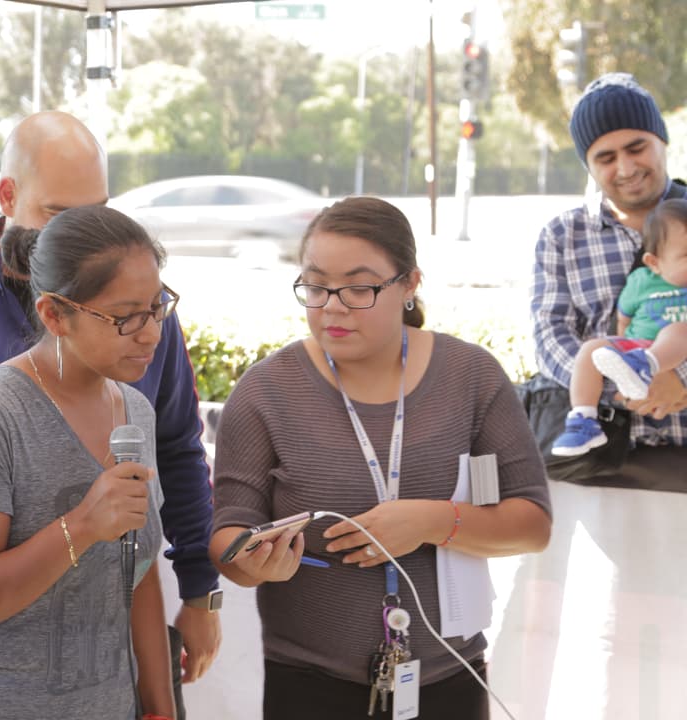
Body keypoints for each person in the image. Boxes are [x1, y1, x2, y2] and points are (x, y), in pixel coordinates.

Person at [0, 111, 221, 691]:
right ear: (8, 196)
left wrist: (202, 589)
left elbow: (176, 452)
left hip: (108, 665)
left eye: (98, 210)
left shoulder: (145, 323)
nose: (84, 232)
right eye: (60, 212)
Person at [209, 197, 553, 719]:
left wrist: (432, 522)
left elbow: (532, 525)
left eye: (360, 288)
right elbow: (229, 532)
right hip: (307, 685)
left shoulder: (471, 377)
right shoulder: (266, 391)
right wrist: (248, 563)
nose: (333, 306)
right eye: (316, 286)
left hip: (449, 678)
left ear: (409, 284)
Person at [0, 205, 177, 719]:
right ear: (53, 315)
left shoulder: (134, 409)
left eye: (158, 307)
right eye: (126, 316)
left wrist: (160, 708)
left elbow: (139, 571)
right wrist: (82, 526)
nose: (151, 332)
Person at [532, 72, 687, 483]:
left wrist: (680, 379)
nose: (626, 167)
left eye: (637, 148)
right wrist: (625, 384)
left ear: (662, 141)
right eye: (606, 158)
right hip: (602, 464)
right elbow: (550, 337)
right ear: (589, 165)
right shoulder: (561, 236)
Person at [551, 198, 687, 456]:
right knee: (591, 350)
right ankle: (583, 419)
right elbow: (624, 318)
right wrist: (620, 347)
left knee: (680, 330)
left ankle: (646, 365)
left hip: (676, 353)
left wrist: (680, 376)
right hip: (639, 345)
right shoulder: (641, 282)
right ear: (655, 263)